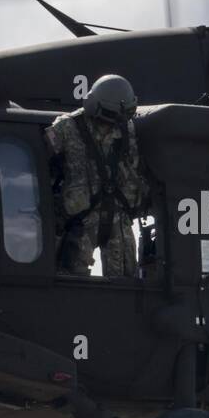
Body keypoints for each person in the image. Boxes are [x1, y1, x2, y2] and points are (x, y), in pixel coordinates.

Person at [45, 74, 149, 277]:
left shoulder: (127, 128)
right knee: (70, 279)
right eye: (110, 117)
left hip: (119, 216)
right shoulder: (66, 127)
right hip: (79, 219)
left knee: (126, 281)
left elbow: (135, 166)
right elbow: (43, 164)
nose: (113, 123)